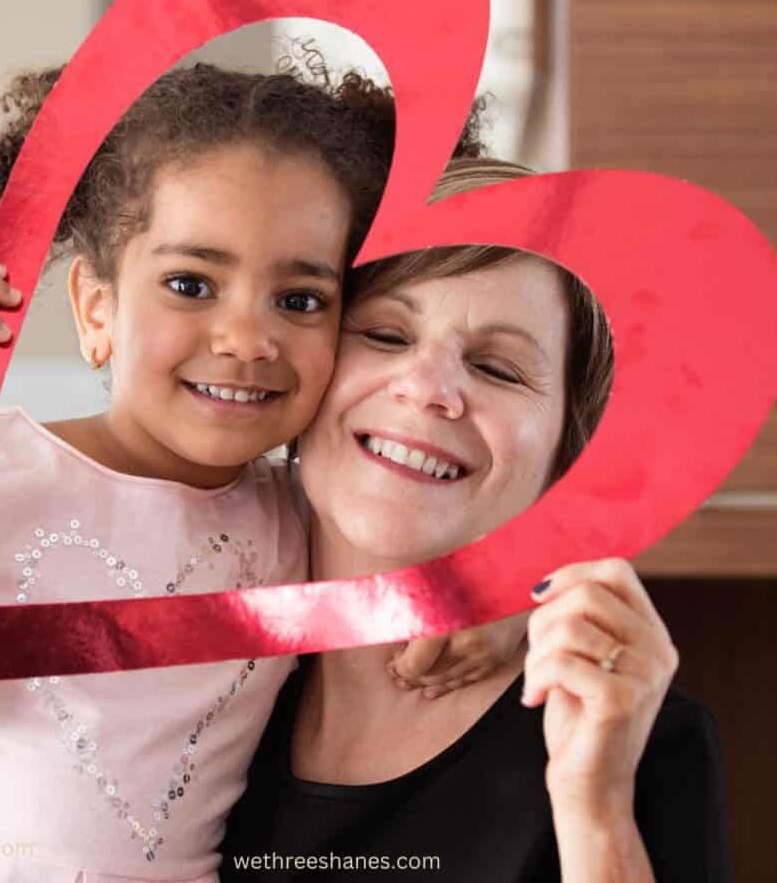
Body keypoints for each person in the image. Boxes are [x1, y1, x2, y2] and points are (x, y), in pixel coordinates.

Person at [0, 62, 498, 881]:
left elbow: (432, 576)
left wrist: (501, 617)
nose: (247, 338)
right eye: (190, 284)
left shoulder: (306, 518)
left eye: (300, 300)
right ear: (96, 310)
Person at [219, 160, 729, 881]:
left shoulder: (630, 735)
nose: (428, 389)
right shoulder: (203, 687)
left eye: (498, 368)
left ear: (567, 455)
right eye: (387, 336)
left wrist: (596, 808)